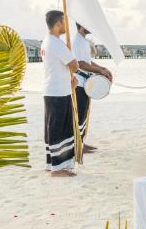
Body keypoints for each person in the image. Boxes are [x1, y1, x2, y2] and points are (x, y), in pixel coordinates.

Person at [41, 10, 79, 177]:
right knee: (59, 129)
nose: (66, 26)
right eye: (64, 22)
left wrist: (69, 77)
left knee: (53, 128)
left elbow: (60, 66)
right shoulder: (55, 43)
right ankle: (57, 169)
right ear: (58, 24)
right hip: (57, 92)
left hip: (54, 89)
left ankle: (52, 165)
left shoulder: (47, 41)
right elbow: (74, 64)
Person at [74, 22, 113, 153]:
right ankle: (78, 145)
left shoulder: (83, 41)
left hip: (85, 83)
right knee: (79, 114)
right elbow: (80, 63)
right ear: (82, 25)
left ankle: (82, 142)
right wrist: (100, 71)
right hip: (78, 83)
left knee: (84, 114)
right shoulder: (77, 41)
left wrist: (102, 69)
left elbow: (88, 62)